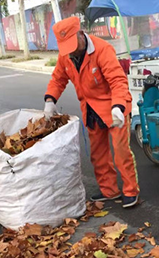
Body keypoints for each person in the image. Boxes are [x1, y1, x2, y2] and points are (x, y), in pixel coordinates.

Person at [43, 16, 140, 208]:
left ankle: (130, 190)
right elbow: (58, 79)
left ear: (81, 34)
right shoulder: (66, 56)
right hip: (91, 109)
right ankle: (109, 191)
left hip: (114, 107)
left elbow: (117, 81)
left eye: (72, 44)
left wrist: (119, 107)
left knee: (121, 151)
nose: (70, 51)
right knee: (98, 154)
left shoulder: (102, 50)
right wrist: (50, 100)